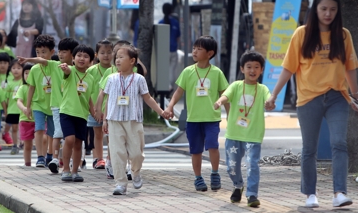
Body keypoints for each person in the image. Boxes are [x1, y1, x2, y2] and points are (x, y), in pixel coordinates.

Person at [265, 0, 358, 208]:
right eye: (324, 9)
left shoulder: (343, 35)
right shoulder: (302, 33)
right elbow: (288, 69)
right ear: (315, 9)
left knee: (339, 143)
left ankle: (339, 193)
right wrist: (274, 95)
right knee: (310, 148)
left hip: (337, 96)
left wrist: (355, 97)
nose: (328, 13)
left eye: (333, 10)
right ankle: (310, 194)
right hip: (308, 98)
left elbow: (350, 68)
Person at [165, 35, 229, 192]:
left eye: (199, 49)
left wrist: (230, 114)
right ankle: (198, 178)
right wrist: (170, 106)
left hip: (212, 118)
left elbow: (225, 95)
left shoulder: (217, 73)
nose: (194, 51)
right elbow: (178, 92)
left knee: (213, 146)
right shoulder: (188, 71)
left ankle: (215, 173)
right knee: (196, 150)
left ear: (210, 53)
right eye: (194, 48)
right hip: (193, 119)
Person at [103, 45, 169, 195]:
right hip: (114, 121)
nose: (117, 60)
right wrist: (105, 120)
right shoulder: (111, 79)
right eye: (117, 57)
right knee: (117, 153)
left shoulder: (139, 79)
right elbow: (109, 100)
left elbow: (148, 98)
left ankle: (136, 172)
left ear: (132, 60)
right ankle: (120, 183)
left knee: (136, 154)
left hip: (134, 121)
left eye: (121, 57)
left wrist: (161, 112)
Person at [213, 51, 274, 207]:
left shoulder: (262, 89)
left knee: (252, 164)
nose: (252, 70)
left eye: (256, 67)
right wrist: (220, 102)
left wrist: (269, 103)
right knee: (232, 166)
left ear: (261, 70)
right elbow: (226, 95)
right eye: (249, 67)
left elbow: (269, 98)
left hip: (253, 135)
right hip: (234, 133)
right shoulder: (236, 86)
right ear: (242, 69)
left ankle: (252, 194)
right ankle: (238, 185)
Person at [58, 44, 97, 182]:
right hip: (67, 112)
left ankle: (75, 171)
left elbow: (89, 98)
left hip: (82, 114)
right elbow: (67, 72)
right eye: (79, 56)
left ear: (91, 61)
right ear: (73, 58)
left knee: (79, 143)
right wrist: (65, 68)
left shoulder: (90, 78)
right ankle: (65, 169)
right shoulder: (71, 71)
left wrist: (94, 112)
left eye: (86, 56)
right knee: (69, 139)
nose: (82, 59)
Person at [21, 35, 58, 168]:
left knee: (52, 133)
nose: (40, 55)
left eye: (44, 52)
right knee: (39, 129)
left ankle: (50, 154)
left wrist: (29, 59)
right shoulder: (35, 69)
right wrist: (28, 106)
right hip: (38, 105)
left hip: (53, 104)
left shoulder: (55, 65)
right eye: (38, 52)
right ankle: (40, 157)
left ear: (52, 52)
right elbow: (31, 88)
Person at [85, 39, 114, 170]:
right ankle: (98, 158)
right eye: (102, 52)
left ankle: (110, 158)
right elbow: (87, 90)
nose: (106, 55)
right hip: (94, 110)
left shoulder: (116, 70)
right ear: (96, 55)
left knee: (111, 135)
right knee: (97, 134)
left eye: (109, 52)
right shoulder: (91, 70)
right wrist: (93, 109)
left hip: (111, 109)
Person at [3, 59, 24, 155]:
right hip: (12, 109)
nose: (16, 70)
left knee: (23, 127)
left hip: (22, 110)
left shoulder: (25, 82)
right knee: (14, 128)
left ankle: (22, 141)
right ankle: (15, 145)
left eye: (19, 68)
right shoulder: (9, 83)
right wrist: (6, 111)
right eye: (14, 68)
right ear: (10, 70)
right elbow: (6, 99)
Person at [16, 63, 35, 166]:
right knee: (28, 145)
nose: (28, 75)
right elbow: (18, 101)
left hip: (39, 119)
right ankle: (27, 163)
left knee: (44, 140)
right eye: (26, 73)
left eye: (30, 73)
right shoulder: (23, 88)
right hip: (25, 120)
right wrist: (24, 108)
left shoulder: (39, 87)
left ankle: (44, 159)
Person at [158, 3, 181, 91]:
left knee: (164, 70)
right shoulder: (175, 22)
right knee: (172, 70)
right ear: (171, 11)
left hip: (163, 51)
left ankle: (166, 86)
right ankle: (171, 87)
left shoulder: (160, 22)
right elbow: (178, 37)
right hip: (173, 50)